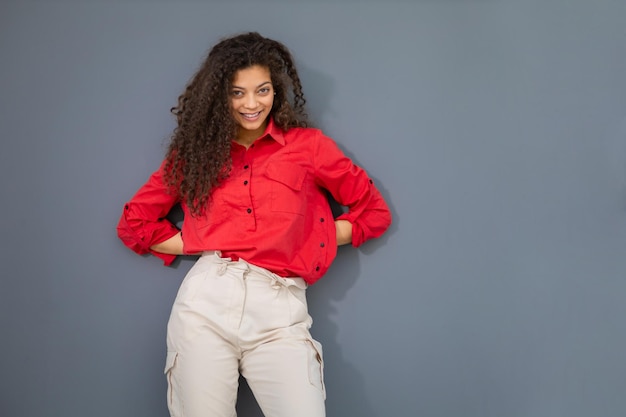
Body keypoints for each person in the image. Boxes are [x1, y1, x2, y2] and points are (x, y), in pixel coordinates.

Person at [117, 32, 391, 417]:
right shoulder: (196, 154)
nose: (251, 104)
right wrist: (200, 239)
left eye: (262, 90)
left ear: (275, 90)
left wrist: (314, 238)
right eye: (236, 93)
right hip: (205, 306)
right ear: (219, 96)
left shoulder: (308, 147)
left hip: (280, 312)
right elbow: (135, 223)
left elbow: (373, 213)